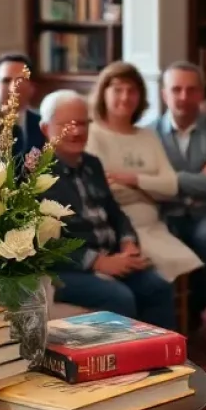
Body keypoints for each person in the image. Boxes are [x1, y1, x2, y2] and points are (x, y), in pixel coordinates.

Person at [41, 89, 176, 329]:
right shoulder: (34, 175)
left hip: (113, 255)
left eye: (83, 124)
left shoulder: (92, 164)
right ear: (45, 129)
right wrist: (97, 262)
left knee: (159, 288)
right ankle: (125, 363)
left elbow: (115, 213)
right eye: (68, 124)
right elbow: (41, 244)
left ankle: (160, 360)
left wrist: (128, 243)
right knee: (119, 297)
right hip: (67, 269)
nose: (77, 131)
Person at [85, 62, 202, 283]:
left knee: (198, 267)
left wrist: (131, 180)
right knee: (158, 281)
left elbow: (171, 186)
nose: (125, 97)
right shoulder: (93, 134)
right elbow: (104, 191)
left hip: (155, 227)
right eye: (118, 89)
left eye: (132, 91)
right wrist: (150, 190)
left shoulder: (148, 136)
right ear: (103, 93)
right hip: (122, 232)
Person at [153, 61, 206, 364]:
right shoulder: (150, 132)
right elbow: (151, 185)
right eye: (176, 89)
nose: (183, 96)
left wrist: (173, 181)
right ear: (164, 93)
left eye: (190, 89)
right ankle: (172, 327)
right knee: (158, 243)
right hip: (168, 215)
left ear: (201, 93)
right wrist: (201, 178)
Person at [0, 53, 44, 155]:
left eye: (20, 81)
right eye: (6, 81)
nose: (13, 88)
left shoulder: (43, 127)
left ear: (32, 88)